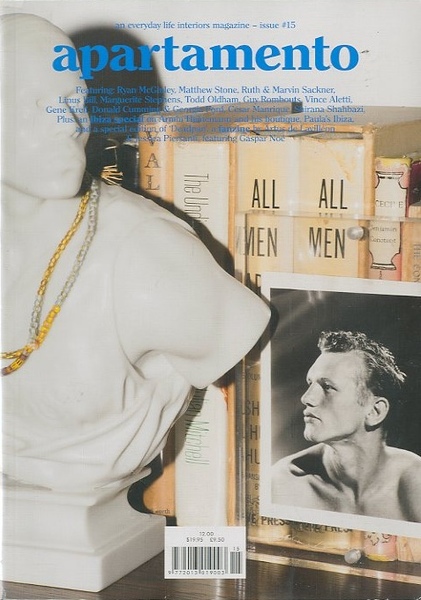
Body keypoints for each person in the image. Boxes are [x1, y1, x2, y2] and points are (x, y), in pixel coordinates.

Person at [1, 13, 270, 493]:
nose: (69, 124)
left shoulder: (150, 256)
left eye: (74, 100)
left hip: (93, 502)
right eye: (34, 105)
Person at [271, 330, 421, 522]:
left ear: (375, 411)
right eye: (310, 383)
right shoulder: (282, 483)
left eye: (327, 387)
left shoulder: (414, 483)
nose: (306, 398)